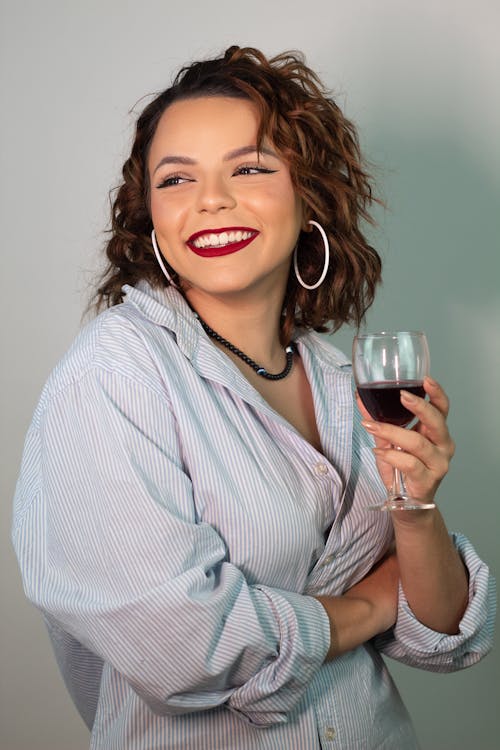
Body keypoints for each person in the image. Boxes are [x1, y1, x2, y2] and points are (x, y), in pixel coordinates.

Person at [12, 46, 495, 749]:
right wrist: (365, 606)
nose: (212, 199)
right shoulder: (114, 376)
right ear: (151, 215)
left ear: (309, 198)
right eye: (177, 179)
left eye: (250, 167)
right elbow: (187, 650)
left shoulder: (342, 380)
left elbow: (443, 640)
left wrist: (416, 511)